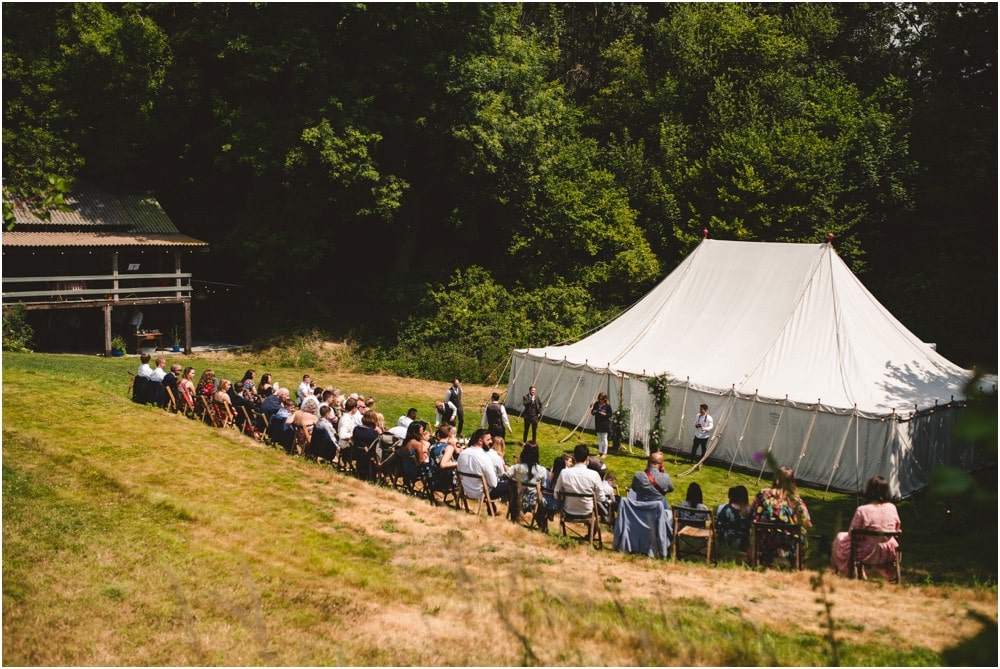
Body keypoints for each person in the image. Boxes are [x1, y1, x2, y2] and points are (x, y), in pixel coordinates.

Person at [832, 476, 901, 578]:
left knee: (841, 538)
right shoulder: (892, 508)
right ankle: (861, 573)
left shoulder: (863, 510)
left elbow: (852, 534)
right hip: (889, 552)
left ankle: (844, 571)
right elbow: (897, 528)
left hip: (868, 553)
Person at [751, 466, 812, 564]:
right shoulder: (797, 502)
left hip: (765, 545)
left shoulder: (762, 496)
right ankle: (787, 557)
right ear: (792, 482)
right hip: (789, 547)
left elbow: (752, 515)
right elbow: (806, 524)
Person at [554, 444, 607, 517]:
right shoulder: (594, 475)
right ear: (588, 458)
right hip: (587, 512)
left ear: (574, 458)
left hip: (568, 511)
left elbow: (556, 494)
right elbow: (601, 498)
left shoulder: (564, 473)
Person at [456, 429, 508, 502]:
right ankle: (515, 511)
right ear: (480, 441)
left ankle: (493, 509)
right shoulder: (484, 457)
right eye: (488, 440)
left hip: (467, 490)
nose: (491, 442)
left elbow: (460, 476)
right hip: (482, 493)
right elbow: (493, 484)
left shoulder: (463, 453)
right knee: (513, 484)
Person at [506, 441, 548, 527]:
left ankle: (514, 519)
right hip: (534, 502)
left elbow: (506, 476)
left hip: (518, 500)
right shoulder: (542, 470)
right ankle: (542, 525)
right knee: (542, 500)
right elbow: (543, 486)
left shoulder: (517, 468)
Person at [716, 485, 752, 551]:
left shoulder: (727, 508)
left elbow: (719, 524)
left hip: (727, 541)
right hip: (743, 542)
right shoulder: (750, 510)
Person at [590, 392, 612, 458]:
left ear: (605, 399)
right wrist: (593, 411)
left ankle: (604, 453)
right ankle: (600, 452)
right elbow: (592, 412)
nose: (600, 400)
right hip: (598, 423)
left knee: (604, 439)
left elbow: (610, 414)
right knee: (599, 439)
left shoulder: (608, 406)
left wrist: (604, 414)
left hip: (605, 424)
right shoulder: (596, 404)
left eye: (602, 399)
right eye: (600, 399)